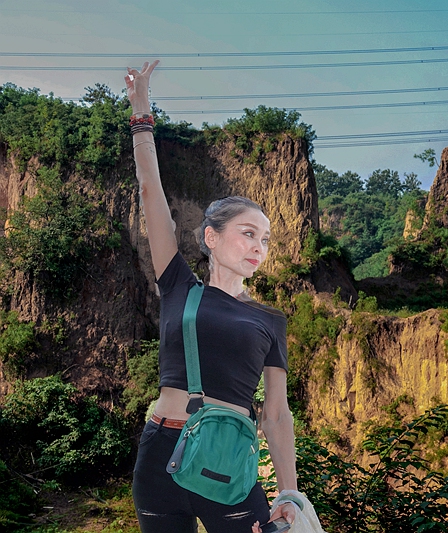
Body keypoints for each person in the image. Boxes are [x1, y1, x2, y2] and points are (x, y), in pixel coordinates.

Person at [127, 61, 298, 533]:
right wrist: (141, 115)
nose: (259, 247)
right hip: (159, 455)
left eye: (265, 240)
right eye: (248, 233)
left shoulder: (269, 320)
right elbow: (150, 192)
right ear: (212, 237)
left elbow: (276, 414)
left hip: (227, 459)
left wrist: (288, 493)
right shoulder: (178, 285)